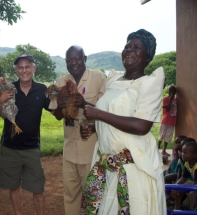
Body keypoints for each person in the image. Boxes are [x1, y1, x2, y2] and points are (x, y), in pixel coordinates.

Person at [81, 29, 166, 215]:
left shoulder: (148, 83)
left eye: (137, 47)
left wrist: (98, 115)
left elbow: (142, 126)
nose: (129, 50)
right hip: (107, 165)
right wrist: (95, 127)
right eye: (127, 46)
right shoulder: (113, 81)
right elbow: (114, 115)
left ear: (147, 56)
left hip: (134, 168)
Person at [49, 45, 106, 215]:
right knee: (71, 195)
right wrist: (61, 105)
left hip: (92, 149)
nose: (73, 62)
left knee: (94, 195)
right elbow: (57, 115)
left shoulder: (99, 78)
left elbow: (106, 113)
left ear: (85, 59)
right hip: (70, 151)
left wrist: (84, 103)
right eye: (69, 60)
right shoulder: (60, 82)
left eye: (77, 58)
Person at [0, 54, 51, 215]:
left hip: (32, 147)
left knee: (38, 188)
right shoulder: (9, 89)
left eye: (27, 66)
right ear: (16, 70)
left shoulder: (41, 89)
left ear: (33, 69)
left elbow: (55, 110)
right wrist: (1, 100)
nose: (24, 70)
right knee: (14, 186)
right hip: (10, 147)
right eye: (20, 67)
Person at [172, 141, 197, 210]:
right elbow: (183, 178)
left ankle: (193, 211)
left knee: (192, 193)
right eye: (182, 152)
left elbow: (195, 185)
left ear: (195, 155)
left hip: (195, 185)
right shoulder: (187, 163)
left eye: (185, 153)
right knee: (178, 188)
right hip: (195, 184)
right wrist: (175, 187)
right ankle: (178, 209)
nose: (182, 154)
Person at [158, 85, 177, 156]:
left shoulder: (176, 100)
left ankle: (164, 150)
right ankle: (158, 147)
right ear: (168, 91)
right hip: (165, 121)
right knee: (161, 135)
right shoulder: (166, 99)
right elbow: (167, 109)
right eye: (170, 90)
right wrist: (171, 99)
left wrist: (173, 99)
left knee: (168, 136)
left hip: (172, 122)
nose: (172, 92)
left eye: (173, 91)